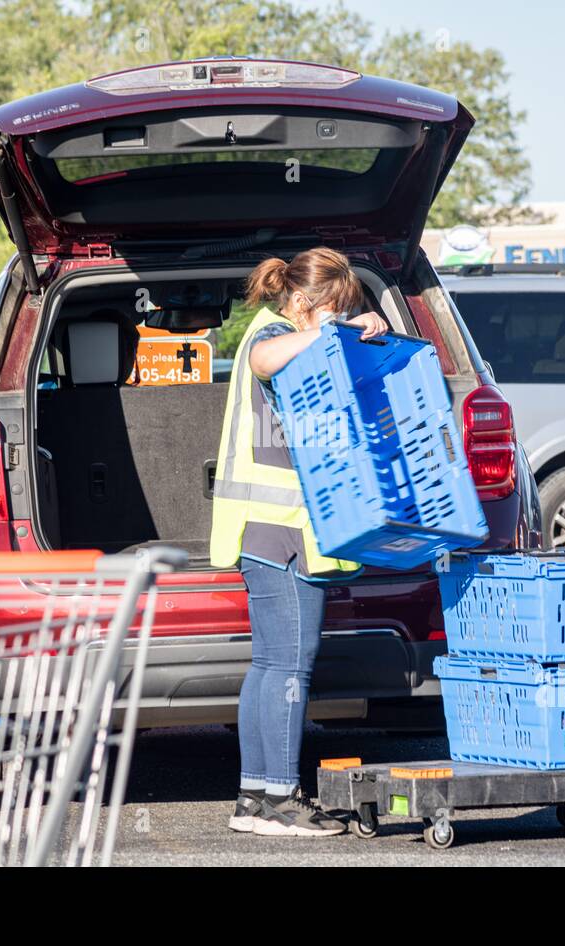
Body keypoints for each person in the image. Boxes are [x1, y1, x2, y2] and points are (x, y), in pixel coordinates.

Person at [210, 247, 389, 837]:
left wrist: (351, 330)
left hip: (274, 528)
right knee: (290, 665)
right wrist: (334, 330)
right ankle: (283, 799)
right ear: (307, 302)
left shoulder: (295, 334)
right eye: (334, 308)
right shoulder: (273, 333)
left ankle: (255, 798)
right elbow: (269, 358)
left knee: (268, 664)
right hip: (282, 529)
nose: (338, 319)